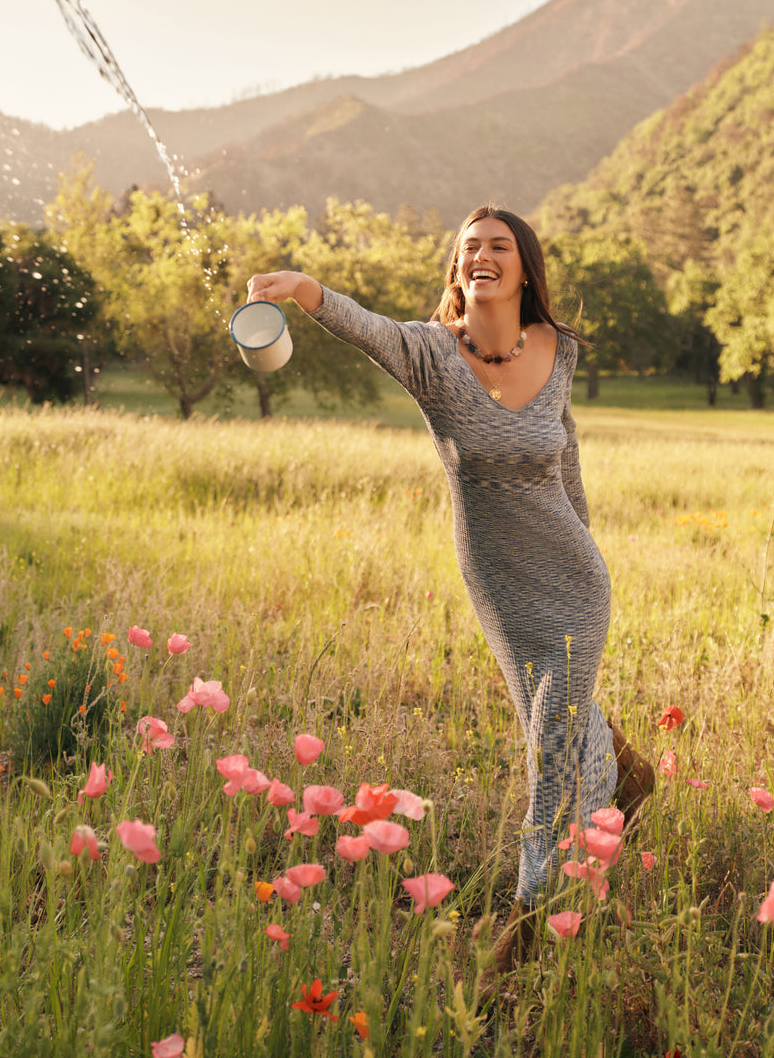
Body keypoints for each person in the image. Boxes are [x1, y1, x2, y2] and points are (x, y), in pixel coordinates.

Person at [246, 204, 654, 970]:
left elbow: (566, 457)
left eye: (499, 246)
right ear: (458, 269)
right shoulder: (432, 355)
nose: (482, 256)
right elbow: (369, 329)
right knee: (548, 715)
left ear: (524, 269)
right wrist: (305, 290)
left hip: (573, 575)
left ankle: (529, 929)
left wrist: (592, 543)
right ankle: (629, 774)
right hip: (498, 583)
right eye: (470, 247)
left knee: (551, 750)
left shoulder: (556, 348)